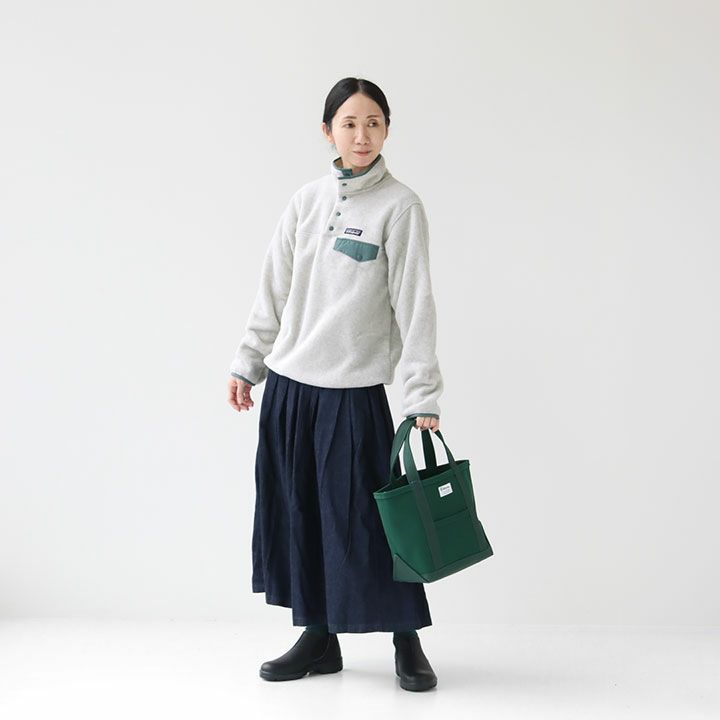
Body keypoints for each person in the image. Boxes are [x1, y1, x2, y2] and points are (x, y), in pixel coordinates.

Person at [226, 77, 443, 692]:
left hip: (353, 394)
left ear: (387, 129)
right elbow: (273, 287)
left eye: (373, 122)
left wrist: (422, 395)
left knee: (373, 524)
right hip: (290, 388)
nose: (361, 134)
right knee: (299, 516)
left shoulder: (400, 207)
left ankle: (407, 638)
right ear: (328, 132)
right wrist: (248, 362)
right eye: (349, 123)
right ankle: (318, 638)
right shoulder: (306, 201)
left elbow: (415, 305)